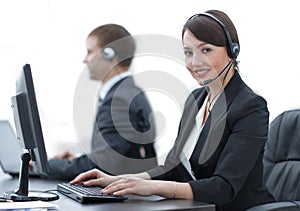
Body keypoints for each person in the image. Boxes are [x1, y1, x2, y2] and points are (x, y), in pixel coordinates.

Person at [70, 10, 275, 210]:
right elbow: (173, 167)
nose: (195, 62)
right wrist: (120, 180)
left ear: (232, 51)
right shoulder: (196, 99)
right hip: (198, 207)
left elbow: (224, 187)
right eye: (188, 53)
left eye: (206, 50)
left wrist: (152, 187)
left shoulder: (250, 107)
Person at [44, 24, 157, 180]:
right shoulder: (129, 91)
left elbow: (101, 165)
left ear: (109, 54)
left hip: (126, 200)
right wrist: (74, 159)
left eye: (90, 52)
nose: (85, 60)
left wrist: (45, 166)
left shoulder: (119, 100)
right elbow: (115, 155)